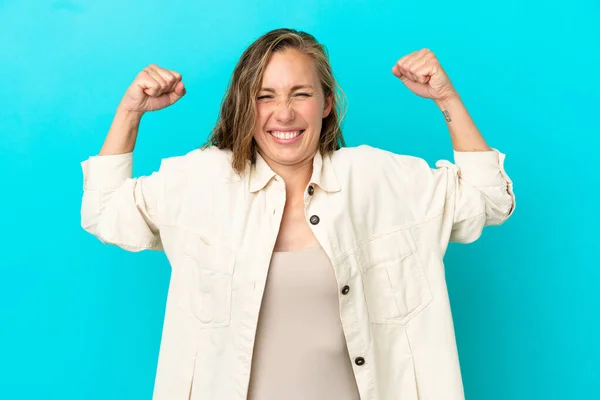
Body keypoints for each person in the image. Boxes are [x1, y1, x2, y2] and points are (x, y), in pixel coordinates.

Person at [80, 28, 515, 400]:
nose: (283, 113)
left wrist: (446, 97)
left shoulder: (378, 180)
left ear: (326, 103)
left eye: (300, 94)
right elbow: (106, 213)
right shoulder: (200, 182)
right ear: (244, 106)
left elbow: (488, 199)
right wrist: (130, 112)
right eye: (264, 96)